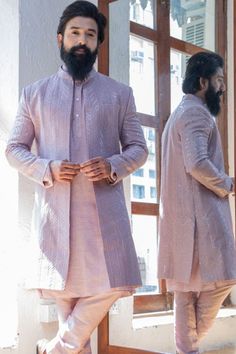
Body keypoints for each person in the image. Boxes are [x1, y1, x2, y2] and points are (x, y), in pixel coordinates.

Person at [5, 1, 148, 353]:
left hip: (104, 220)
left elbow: (138, 148)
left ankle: (53, 349)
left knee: (111, 284)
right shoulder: (34, 95)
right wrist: (47, 168)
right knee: (69, 311)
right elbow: (13, 149)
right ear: (60, 39)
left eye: (90, 34)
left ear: (98, 43)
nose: (82, 40)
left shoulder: (119, 94)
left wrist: (113, 164)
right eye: (75, 33)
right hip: (57, 219)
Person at [157, 51, 236, 354]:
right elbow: (197, 162)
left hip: (183, 220)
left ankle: (186, 350)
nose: (222, 88)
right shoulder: (196, 114)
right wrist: (228, 184)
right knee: (221, 280)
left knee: (184, 294)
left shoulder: (181, 113)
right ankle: (186, 350)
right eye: (219, 80)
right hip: (198, 218)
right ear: (203, 82)